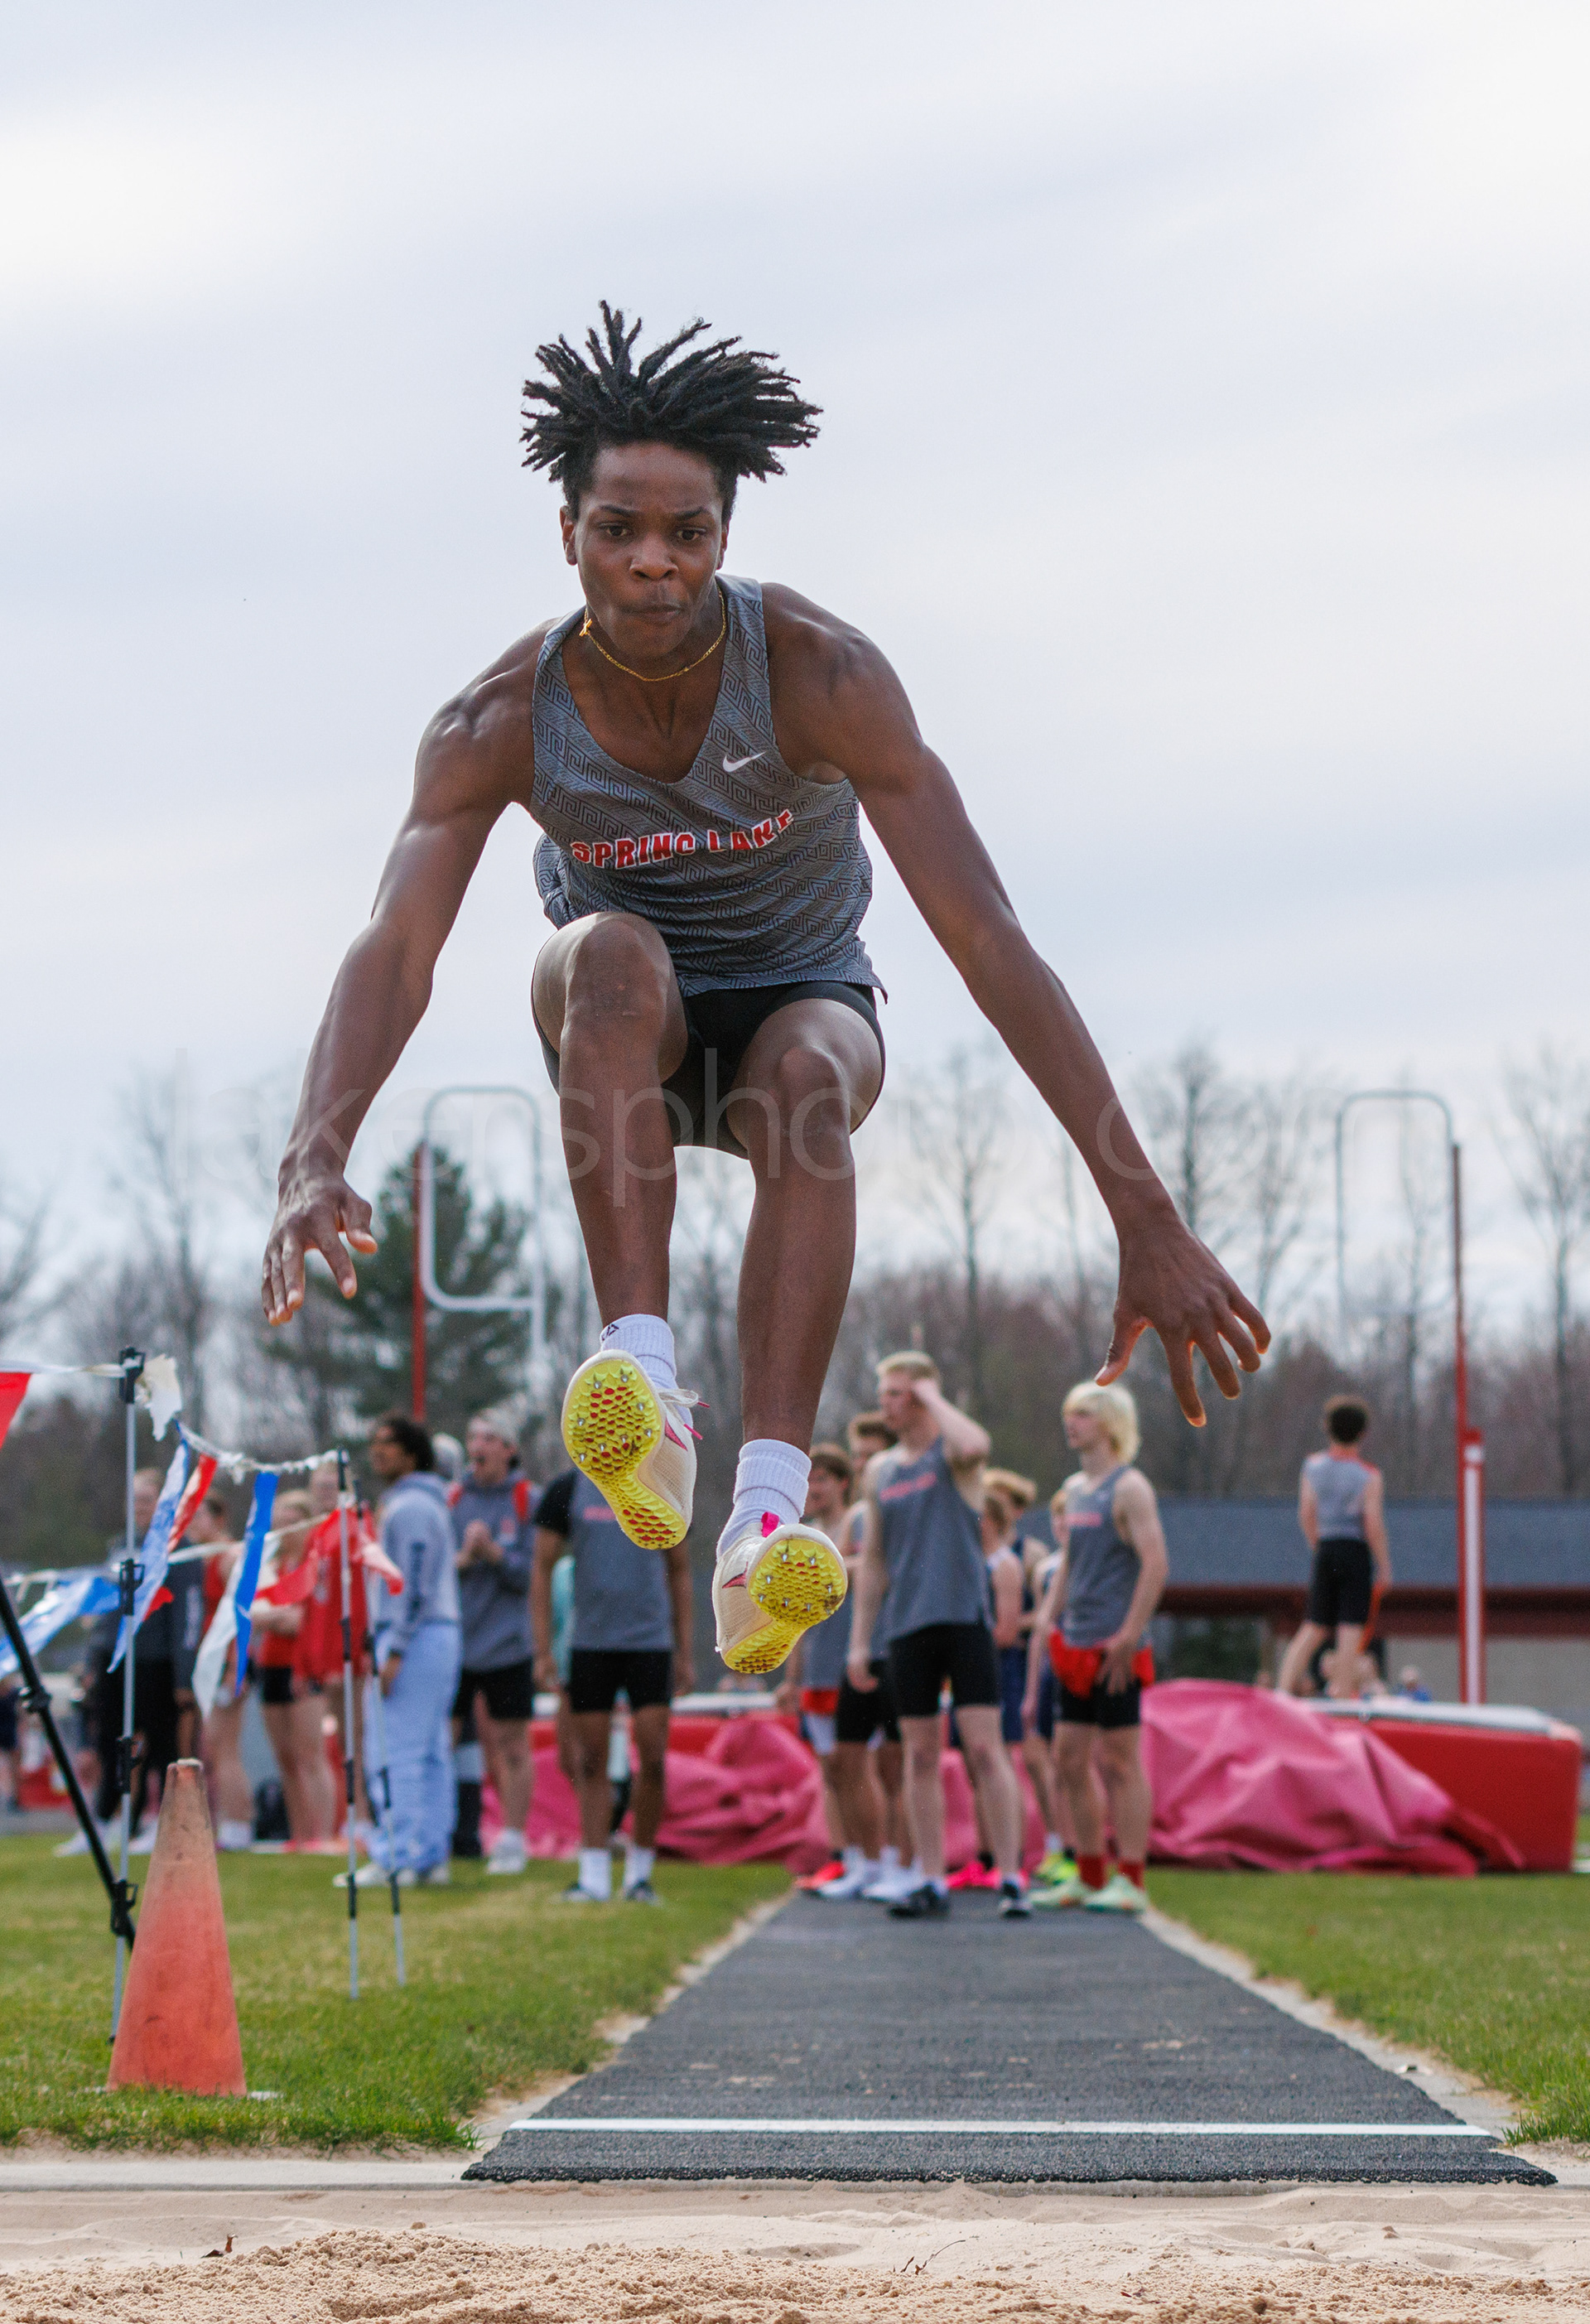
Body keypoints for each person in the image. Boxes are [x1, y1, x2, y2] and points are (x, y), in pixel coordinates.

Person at [259, 306, 1270, 1687]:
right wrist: (315, 1149)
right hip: (630, 1030)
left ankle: (765, 1523)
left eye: (688, 533)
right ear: (568, 534)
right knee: (614, 955)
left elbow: (990, 940)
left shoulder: (818, 674)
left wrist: (1141, 1210)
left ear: (726, 536)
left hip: (801, 1002)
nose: (654, 563)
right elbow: (395, 944)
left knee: (805, 1076)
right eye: (620, 529)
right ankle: (642, 1381)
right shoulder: (500, 718)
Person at [847, 1353, 1028, 1921]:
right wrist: (860, 1641)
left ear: (923, 1395)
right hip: (906, 1626)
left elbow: (976, 1444)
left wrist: (931, 1395)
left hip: (963, 1619)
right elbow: (874, 1561)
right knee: (920, 1755)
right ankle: (931, 1879)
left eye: (897, 1393)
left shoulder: (953, 1456)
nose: (886, 1403)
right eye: (884, 1393)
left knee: (984, 1748)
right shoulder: (881, 1472)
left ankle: (1011, 1877)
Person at [530, 1453, 695, 1903]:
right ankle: (594, 1876)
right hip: (590, 1643)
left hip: (650, 1643)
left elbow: (679, 1570)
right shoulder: (569, 1489)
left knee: (654, 1758)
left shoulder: (663, 1482)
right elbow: (541, 1569)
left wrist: (685, 1650)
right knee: (590, 1761)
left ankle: (640, 1875)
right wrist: (543, 1649)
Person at [1033, 1383, 1167, 1916]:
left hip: (1116, 1649)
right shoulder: (1074, 1489)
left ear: (1110, 1422)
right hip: (1076, 1643)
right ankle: (1089, 1874)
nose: (1072, 1422)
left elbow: (1156, 1563)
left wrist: (1131, 1633)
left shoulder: (1129, 1488)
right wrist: (1049, 1616)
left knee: (1119, 1762)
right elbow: (1070, 1561)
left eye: (1084, 1413)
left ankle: (1131, 1877)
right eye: (1069, 1413)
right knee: (1067, 1759)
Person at [348, 1412, 462, 1888]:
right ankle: (430, 1852)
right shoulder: (419, 1503)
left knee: (395, 1747)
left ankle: (398, 1855)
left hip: (416, 1636)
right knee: (430, 1749)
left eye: (389, 1443)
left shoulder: (412, 1507)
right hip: (434, 1633)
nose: (378, 1451)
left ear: (413, 1453)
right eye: (374, 1442)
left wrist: (394, 1648)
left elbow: (410, 1582)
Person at [447, 1410, 537, 1876]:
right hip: (456, 1645)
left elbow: (535, 1575)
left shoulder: (527, 1500)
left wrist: (496, 1555)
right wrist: (464, 1559)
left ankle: (513, 1838)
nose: (478, 1446)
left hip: (508, 1646)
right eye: (473, 1437)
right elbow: (436, 1571)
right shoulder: (452, 1499)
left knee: (512, 1744)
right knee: (442, 1742)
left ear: (509, 1449)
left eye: (488, 1438)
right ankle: (443, 1832)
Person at [1279, 1396, 1392, 1700]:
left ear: (1327, 1428)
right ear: (1362, 1433)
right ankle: (1341, 1695)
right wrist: (1384, 1565)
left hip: (1326, 1546)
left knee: (1314, 1625)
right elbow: (1373, 1523)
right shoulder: (1369, 1475)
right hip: (1355, 1551)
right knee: (1350, 1628)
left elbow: (1306, 1512)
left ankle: (1283, 1690)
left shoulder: (1312, 1467)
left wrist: (1318, 1544)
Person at [250, 1485, 336, 1844]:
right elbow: (255, 1615)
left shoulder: (315, 1568)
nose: (286, 1531)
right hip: (271, 1664)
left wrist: (276, 1618)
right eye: (280, 1524)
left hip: (304, 1667)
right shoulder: (273, 1568)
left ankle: (325, 1834)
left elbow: (307, 1621)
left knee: (310, 1753)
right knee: (285, 1757)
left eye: (293, 1523)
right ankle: (299, 1836)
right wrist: (277, 1618)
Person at [190, 1490, 255, 1850]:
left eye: (200, 1516)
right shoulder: (198, 1558)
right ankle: (227, 1822)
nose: (193, 1524)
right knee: (213, 1747)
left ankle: (238, 1825)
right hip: (209, 1661)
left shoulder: (228, 1557)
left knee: (224, 1745)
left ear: (218, 1520)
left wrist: (234, 1666)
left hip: (227, 1662)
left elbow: (241, 1615)